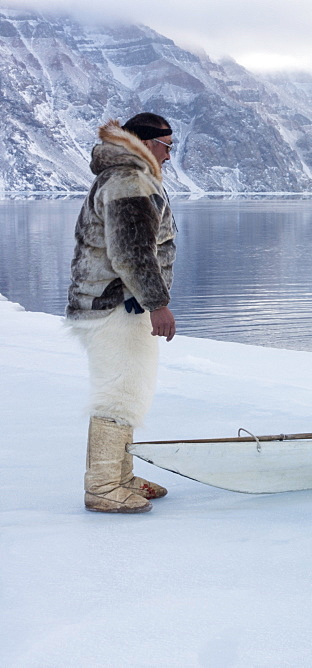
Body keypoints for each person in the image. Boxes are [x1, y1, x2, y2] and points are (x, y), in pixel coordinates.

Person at [66, 113, 177, 513]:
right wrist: (158, 304)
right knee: (119, 393)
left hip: (116, 303)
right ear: (146, 143)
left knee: (130, 390)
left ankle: (120, 475)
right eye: (167, 146)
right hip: (114, 305)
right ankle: (102, 486)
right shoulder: (128, 179)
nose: (168, 156)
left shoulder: (131, 176)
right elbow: (131, 253)